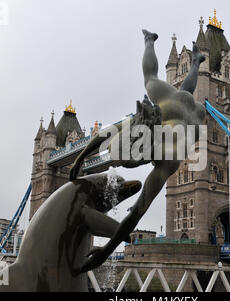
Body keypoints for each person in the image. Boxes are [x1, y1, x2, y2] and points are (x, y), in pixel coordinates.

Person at [72, 29, 206, 273]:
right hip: (183, 113)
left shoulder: (168, 163)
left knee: (163, 84)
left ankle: (159, 44)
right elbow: (109, 133)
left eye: (128, 163)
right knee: (157, 82)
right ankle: (177, 54)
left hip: (196, 116)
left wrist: (106, 251)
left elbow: (134, 214)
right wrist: (79, 160)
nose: (126, 165)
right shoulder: (151, 133)